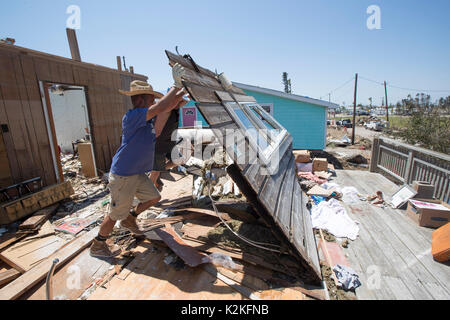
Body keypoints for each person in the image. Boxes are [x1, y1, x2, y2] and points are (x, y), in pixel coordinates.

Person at [90, 64, 187, 258]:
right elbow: (161, 106)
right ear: (141, 99)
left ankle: (131, 218)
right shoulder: (133, 116)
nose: (154, 102)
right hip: (124, 174)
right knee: (115, 213)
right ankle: (98, 245)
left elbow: (168, 106)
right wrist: (175, 87)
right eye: (151, 99)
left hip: (135, 173)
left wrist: (181, 91)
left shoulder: (146, 118)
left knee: (154, 197)